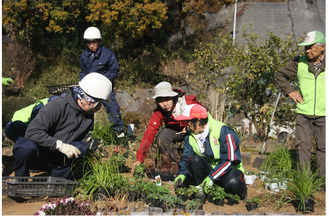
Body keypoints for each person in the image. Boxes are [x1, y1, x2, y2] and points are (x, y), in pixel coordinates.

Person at [13, 73, 112, 179]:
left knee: (81, 148)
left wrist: (91, 143)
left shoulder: (88, 116)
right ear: (84, 98)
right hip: (38, 156)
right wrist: (58, 145)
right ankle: (21, 181)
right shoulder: (57, 105)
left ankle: (56, 183)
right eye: (97, 104)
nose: (98, 108)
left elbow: (82, 141)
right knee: (24, 146)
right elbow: (32, 132)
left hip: (58, 161)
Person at [276, 30, 325, 178]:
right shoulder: (300, 61)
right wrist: (290, 91)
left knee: (324, 148)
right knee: (303, 147)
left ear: (323, 47)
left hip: (325, 114)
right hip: (304, 112)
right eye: (305, 47)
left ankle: (323, 181)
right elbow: (280, 74)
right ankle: (304, 182)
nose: (307, 50)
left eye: (311, 47)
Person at [173, 104, 247, 200]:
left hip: (228, 170)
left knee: (233, 183)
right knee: (194, 160)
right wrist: (181, 174)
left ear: (199, 121)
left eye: (189, 121)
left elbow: (230, 160)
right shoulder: (189, 137)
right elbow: (186, 158)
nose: (186, 124)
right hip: (209, 170)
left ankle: (240, 191)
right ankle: (203, 191)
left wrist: (212, 177)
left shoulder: (224, 131)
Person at [131, 81, 203, 172]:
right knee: (163, 137)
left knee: (193, 142)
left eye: (167, 100)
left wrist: (192, 128)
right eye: (161, 101)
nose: (164, 104)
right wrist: (139, 159)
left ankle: (195, 166)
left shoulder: (189, 103)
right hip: (176, 131)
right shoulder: (159, 111)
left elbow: (204, 117)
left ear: (173, 98)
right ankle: (175, 165)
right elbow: (149, 134)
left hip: (194, 131)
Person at [79, 26, 125, 137]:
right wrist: (82, 82)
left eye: (94, 42)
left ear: (98, 41)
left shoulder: (108, 54)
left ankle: (119, 132)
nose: (91, 45)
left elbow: (114, 71)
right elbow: (83, 71)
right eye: (88, 43)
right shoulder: (84, 56)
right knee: (84, 108)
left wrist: (102, 81)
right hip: (89, 88)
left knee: (112, 107)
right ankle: (87, 134)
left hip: (104, 87)